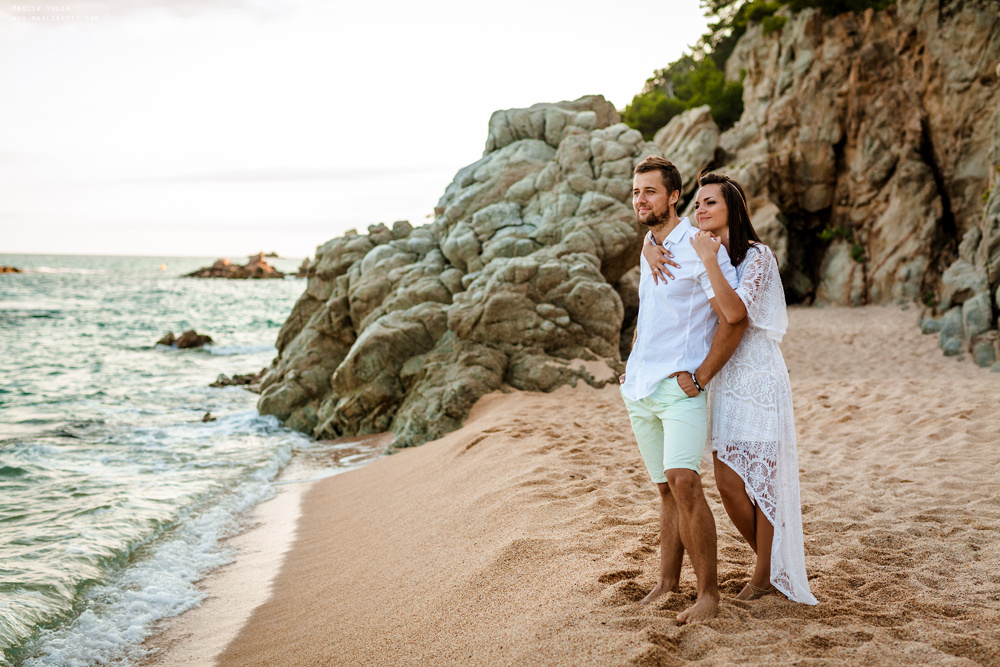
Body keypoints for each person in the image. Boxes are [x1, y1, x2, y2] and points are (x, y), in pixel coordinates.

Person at [642, 172, 818, 605]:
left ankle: (763, 575)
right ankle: (773, 564)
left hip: (758, 375)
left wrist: (706, 260)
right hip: (723, 375)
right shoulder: (700, 247)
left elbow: (735, 311)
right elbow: (663, 239)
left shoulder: (756, 255)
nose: (700, 211)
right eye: (697, 204)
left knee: (762, 481)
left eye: (710, 204)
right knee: (727, 482)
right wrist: (649, 250)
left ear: (731, 210)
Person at [620, 156, 748, 624]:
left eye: (650, 191)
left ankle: (709, 594)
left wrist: (701, 377)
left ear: (674, 196)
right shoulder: (649, 245)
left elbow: (733, 319)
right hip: (639, 387)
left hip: (680, 388)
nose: (641, 199)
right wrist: (629, 364)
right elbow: (648, 313)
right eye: (636, 192)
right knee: (665, 491)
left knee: (686, 483)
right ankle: (667, 583)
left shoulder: (698, 246)